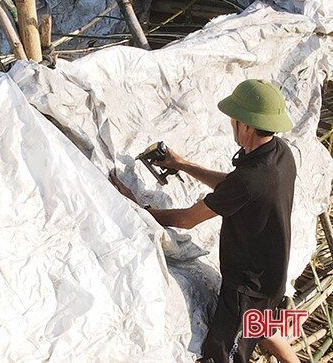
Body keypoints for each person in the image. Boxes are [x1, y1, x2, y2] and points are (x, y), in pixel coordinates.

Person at [110, 79, 300, 363]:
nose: (231, 125)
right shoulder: (279, 153)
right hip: (273, 273)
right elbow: (233, 186)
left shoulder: (251, 179)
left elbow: (187, 219)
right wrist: (183, 164)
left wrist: (139, 207)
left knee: (222, 355)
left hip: (248, 289)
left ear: (245, 126)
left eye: (233, 121)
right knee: (264, 327)